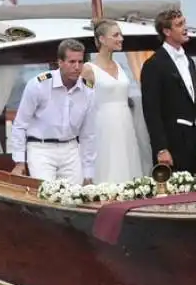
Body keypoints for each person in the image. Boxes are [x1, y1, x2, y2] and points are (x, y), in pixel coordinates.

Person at [8, 39, 96, 185]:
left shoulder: (88, 90)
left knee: (74, 197)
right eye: (72, 62)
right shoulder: (38, 85)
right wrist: (19, 162)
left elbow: (88, 134)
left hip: (71, 149)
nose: (77, 67)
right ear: (60, 62)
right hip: (41, 148)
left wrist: (88, 173)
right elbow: (20, 124)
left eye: (80, 62)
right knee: (47, 195)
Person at [140, 8, 196, 174]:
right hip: (173, 142)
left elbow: (194, 104)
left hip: (193, 142)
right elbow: (151, 111)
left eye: (184, 23)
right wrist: (161, 149)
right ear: (167, 31)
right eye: (179, 25)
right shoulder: (153, 65)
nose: (185, 28)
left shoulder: (188, 61)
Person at [80, 19, 146, 184]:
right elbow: (81, 103)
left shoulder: (119, 65)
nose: (121, 39)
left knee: (127, 161)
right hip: (103, 124)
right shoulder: (88, 70)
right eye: (116, 35)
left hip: (125, 122)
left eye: (121, 35)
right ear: (102, 39)